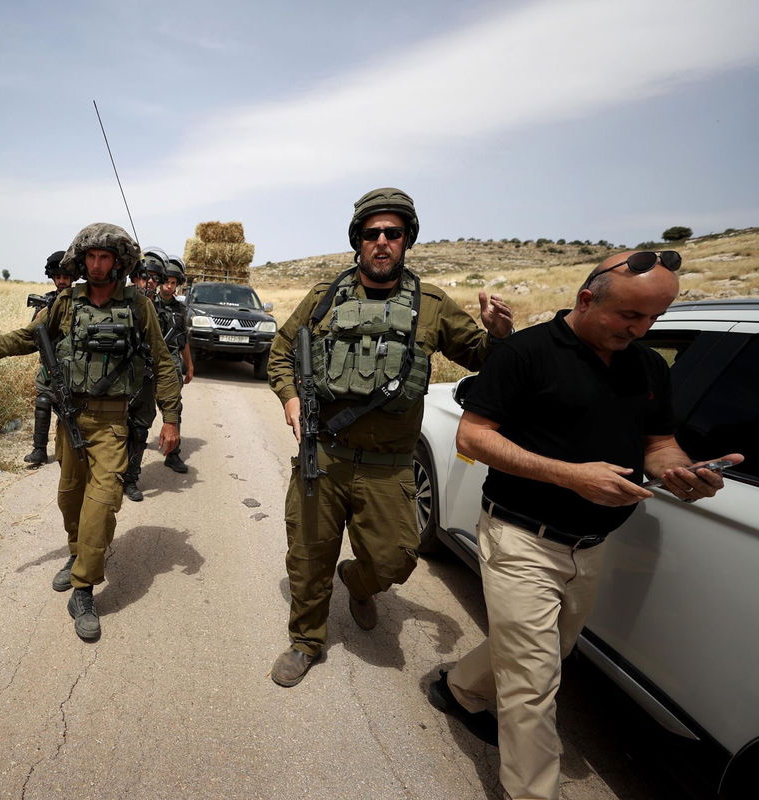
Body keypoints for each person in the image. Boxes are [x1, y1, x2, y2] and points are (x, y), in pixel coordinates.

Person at [427, 250, 743, 800]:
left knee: (548, 650)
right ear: (586, 298)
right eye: (629, 316)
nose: (640, 330)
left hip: (592, 546)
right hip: (521, 537)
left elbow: (659, 443)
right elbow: (472, 438)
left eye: (653, 319)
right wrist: (571, 476)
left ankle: (459, 686)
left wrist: (680, 470)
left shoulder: (647, 366)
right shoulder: (526, 353)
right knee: (534, 686)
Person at [267, 187, 514, 687]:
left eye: (392, 233)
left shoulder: (432, 306)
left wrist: (500, 337)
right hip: (326, 456)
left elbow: (487, 362)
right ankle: (306, 640)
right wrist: (292, 400)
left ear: (407, 240)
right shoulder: (324, 298)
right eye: (372, 233)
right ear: (358, 240)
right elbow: (280, 352)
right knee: (309, 554)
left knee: (395, 560)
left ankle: (358, 583)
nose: (382, 242)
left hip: (389, 464)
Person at [0, 223, 182, 641]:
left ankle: (84, 587)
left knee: (102, 504)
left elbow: (162, 360)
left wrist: (170, 418)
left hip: (113, 423)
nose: (97, 265)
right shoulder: (66, 302)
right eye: (91, 258)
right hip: (71, 420)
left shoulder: (138, 306)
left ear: (119, 263)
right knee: (70, 499)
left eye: (105, 258)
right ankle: (77, 553)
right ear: (81, 261)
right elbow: (27, 338)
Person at [122, 250, 177, 501]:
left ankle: (131, 478)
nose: (150, 282)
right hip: (118, 379)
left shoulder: (164, 312)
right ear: (134, 278)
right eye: (144, 277)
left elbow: (166, 353)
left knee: (140, 430)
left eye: (155, 278)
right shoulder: (121, 303)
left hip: (146, 380)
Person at [24, 250, 79, 465]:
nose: (62, 281)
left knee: (69, 407)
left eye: (66, 277)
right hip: (48, 363)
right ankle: (39, 450)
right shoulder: (46, 302)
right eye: (58, 277)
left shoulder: (78, 301)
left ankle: (68, 450)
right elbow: (32, 332)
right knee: (43, 401)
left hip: (71, 365)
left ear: (72, 278)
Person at [154, 256, 193, 473]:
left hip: (172, 365)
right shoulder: (148, 303)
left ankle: (173, 453)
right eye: (165, 282)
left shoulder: (179, 310)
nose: (168, 287)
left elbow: (183, 339)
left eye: (173, 283)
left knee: (174, 408)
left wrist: (190, 365)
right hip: (149, 364)